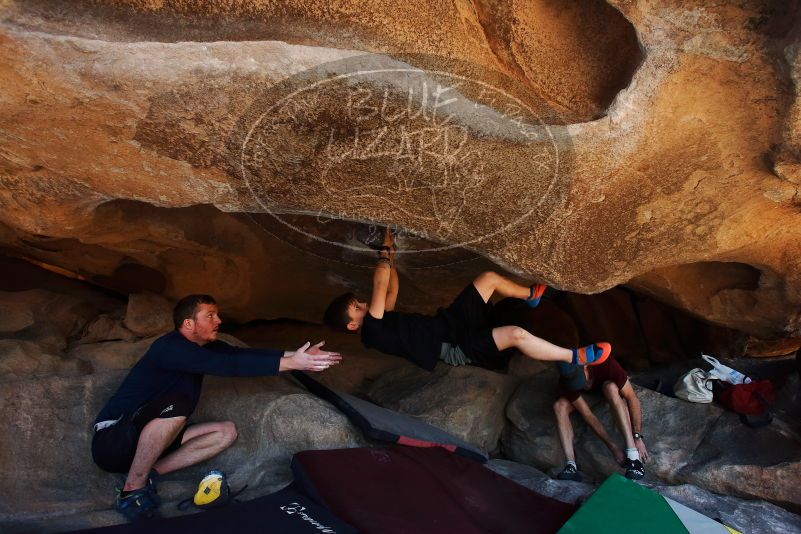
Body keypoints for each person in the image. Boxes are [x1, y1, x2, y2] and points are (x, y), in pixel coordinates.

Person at [92, 294, 341, 521]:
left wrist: (298, 357)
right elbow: (224, 365)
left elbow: (241, 356)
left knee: (225, 432)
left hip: (143, 444)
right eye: (210, 316)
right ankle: (131, 492)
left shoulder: (205, 347)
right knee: (178, 402)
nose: (219, 320)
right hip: (113, 440)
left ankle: (146, 474)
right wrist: (290, 363)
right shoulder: (169, 347)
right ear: (188, 323)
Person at [323, 228, 612, 371]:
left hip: (452, 323)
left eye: (359, 303)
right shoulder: (372, 331)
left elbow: (391, 291)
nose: (363, 305)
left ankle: (530, 296)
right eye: (357, 308)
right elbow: (380, 282)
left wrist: (394, 258)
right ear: (352, 326)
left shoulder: (380, 321)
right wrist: (384, 252)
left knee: (487, 279)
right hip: (457, 348)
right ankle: (574, 357)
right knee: (515, 334)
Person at [552, 356, 648, 481]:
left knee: (610, 387)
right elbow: (588, 415)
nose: (581, 384)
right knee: (559, 406)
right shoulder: (565, 381)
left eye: (579, 379)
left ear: (586, 366)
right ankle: (571, 465)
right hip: (586, 397)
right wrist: (612, 446)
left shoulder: (606, 364)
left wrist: (637, 436)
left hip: (606, 390)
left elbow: (631, 397)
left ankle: (633, 456)